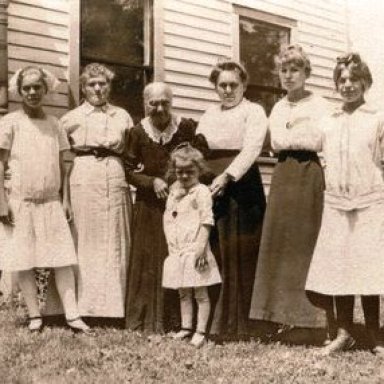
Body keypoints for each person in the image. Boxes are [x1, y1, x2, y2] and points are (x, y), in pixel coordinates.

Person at [249, 45, 333, 340]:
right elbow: (277, 142)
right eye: (283, 70)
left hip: (308, 172)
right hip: (283, 172)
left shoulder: (320, 105)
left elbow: (323, 141)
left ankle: (310, 322)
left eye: (294, 70)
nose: (288, 75)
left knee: (304, 244)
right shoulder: (278, 106)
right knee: (279, 243)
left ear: (306, 73)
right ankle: (276, 317)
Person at [0, 66, 91, 333]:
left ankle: (72, 314)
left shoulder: (55, 124)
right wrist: (2, 201)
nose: (32, 93)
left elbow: (65, 163)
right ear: (19, 90)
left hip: (51, 201)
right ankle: (34, 314)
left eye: (37, 87)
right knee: (24, 259)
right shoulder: (10, 122)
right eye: (26, 88)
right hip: (20, 201)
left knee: (62, 257)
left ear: (45, 89)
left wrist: (66, 199)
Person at [306, 53, 384, 355]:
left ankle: (376, 336)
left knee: (368, 266)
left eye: (354, 79)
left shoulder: (376, 117)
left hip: (370, 199)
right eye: (342, 80)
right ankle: (344, 332)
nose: (348, 85)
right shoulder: (328, 121)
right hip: (337, 201)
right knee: (340, 267)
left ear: (365, 82)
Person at [125, 82, 204, 333]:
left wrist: (181, 185)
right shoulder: (137, 133)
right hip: (149, 206)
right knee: (150, 260)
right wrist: (151, 181)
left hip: (181, 205)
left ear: (172, 102)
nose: (159, 108)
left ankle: (178, 321)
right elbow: (127, 170)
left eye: (165, 103)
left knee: (179, 257)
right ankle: (148, 320)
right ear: (144, 103)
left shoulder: (186, 128)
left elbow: (201, 160)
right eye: (153, 103)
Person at [196, 59, 268, 338]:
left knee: (240, 250)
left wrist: (227, 177)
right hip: (212, 184)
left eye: (233, 85)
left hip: (241, 184)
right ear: (215, 87)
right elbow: (200, 147)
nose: (228, 90)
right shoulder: (210, 112)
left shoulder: (254, 111)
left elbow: (251, 149)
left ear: (244, 85)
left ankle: (241, 322)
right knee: (216, 248)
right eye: (222, 85)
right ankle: (214, 319)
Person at [61, 63, 133, 322]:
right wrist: (64, 197)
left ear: (109, 86)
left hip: (114, 173)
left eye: (103, 83)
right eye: (92, 84)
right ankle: (85, 308)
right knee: (87, 238)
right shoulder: (72, 118)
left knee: (114, 237)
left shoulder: (122, 116)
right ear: (83, 87)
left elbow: (130, 151)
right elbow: (62, 157)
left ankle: (116, 309)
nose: (98, 88)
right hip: (84, 175)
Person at [162, 144, 221, 347]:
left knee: (200, 292)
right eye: (180, 172)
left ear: (199, 171)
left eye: (190, 171)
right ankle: (186, 327)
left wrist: (200, 247)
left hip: (196, 249)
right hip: (178, 249)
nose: (185, 176)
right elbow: (169, 218)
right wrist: (172, 246)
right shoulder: (174, 192)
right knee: (183, 291)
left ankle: (201, 331)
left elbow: (206, 220)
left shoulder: (201, 192)